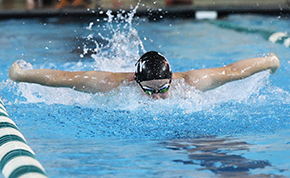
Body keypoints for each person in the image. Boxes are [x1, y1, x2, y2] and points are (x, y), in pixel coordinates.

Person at [9, 51, 280, 99]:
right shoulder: (109, 84)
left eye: (163, 88)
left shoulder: (192, 82)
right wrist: (20, 75)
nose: (158, 96)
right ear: (134, 81)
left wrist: (269, 61)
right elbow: (62, 79)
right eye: (149, 90)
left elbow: (233, 71)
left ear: (172, 78)